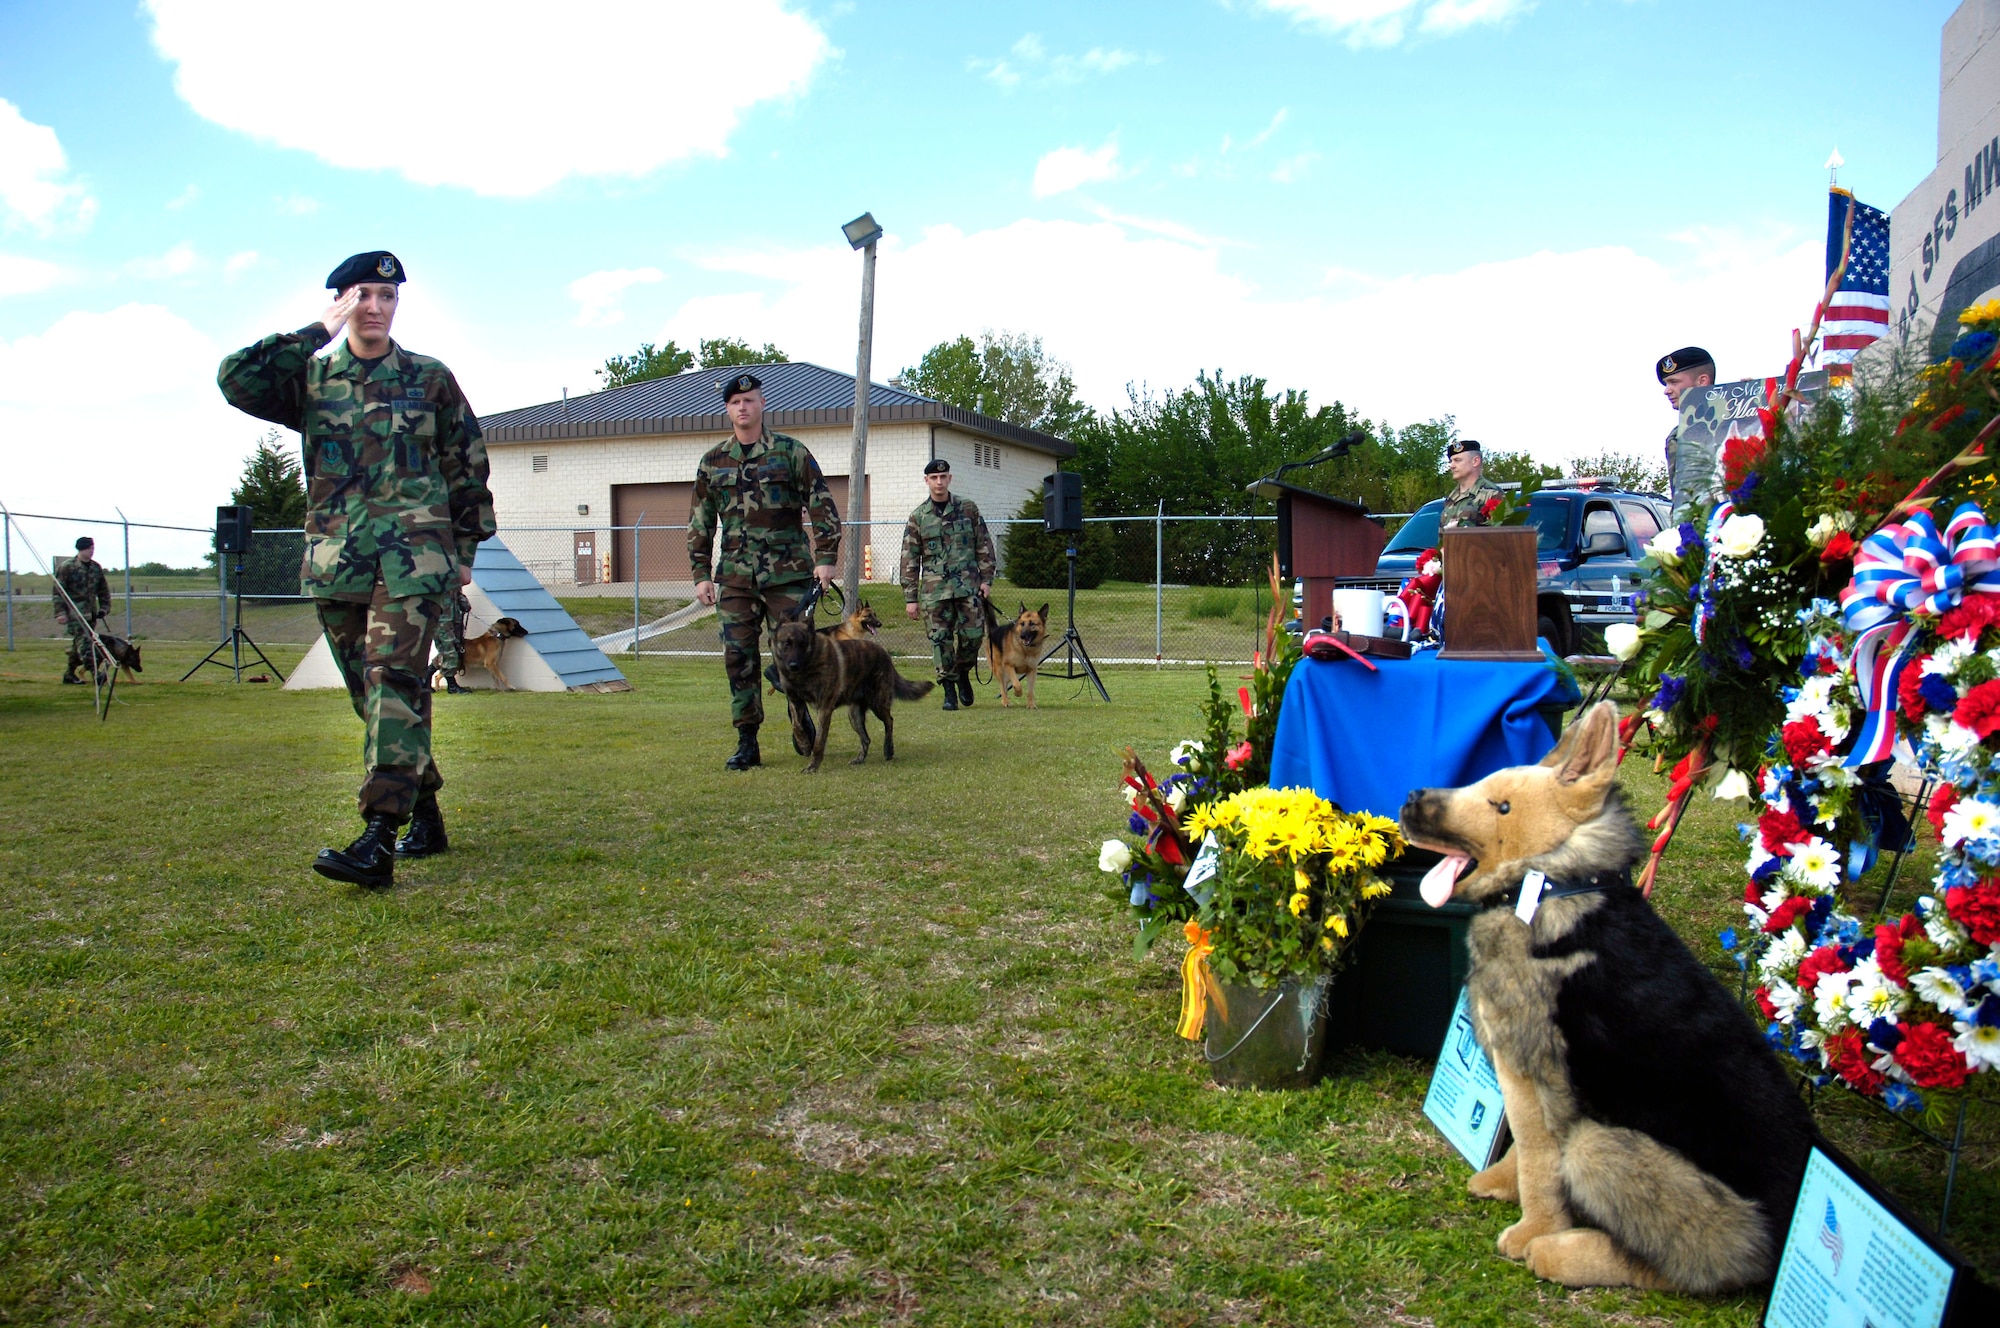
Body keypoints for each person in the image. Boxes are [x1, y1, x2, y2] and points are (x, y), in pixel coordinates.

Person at [216, 250, 495, 887]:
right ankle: (425, 811)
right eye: (363, 295)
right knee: (371, 697)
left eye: (387, 297)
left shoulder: (429, 378)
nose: (376, 308)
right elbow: (237, 380)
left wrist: (465, 554)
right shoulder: (311, 380)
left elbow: (465, 464)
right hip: (337, 560)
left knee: (394, 682)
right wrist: (317, 330)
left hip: (415, 559)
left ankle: (377, 839)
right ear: (342, 301)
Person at [688, 372, 842, 771]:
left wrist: (826, 556)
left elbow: (821, 503)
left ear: (761, 404)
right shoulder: (713, 462)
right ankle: (747, 741)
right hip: (736, 578)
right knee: (738, 657)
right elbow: (701, 521)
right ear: (727, 409)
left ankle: (799, 710)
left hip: (787, 575)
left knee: (798, 654)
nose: (743, 407)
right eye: (736, 402)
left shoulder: (790, 452)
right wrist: (700, 572)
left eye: (750, 400)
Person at [899, 458, 996, 710]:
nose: (939, 482)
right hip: (935, 591)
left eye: (943, 477)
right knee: (940, 640)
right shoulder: (918, 517)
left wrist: (987, 580)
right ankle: (949, 690)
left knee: (973, 636)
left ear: (949, 479)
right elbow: (910, 558)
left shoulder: (968, 509)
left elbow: (983, 545)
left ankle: (963, 672)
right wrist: (911, 597)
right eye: (934, 478)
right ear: (927, 481)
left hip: (968, 587)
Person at [1657, 346, 1716, 514]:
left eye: (1674, 382)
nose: (1666, 391)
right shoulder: (1677, 436)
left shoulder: (1738, 421)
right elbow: (1681, 496)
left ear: (1702, 381)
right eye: (1666, 383)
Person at [53, 535, 110, 684]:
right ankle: (96, 674)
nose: (92, 551)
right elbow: (58, 592)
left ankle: (69, 674)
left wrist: (104, 608)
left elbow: (103, 590)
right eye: (89, 548)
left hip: (90, 614)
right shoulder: (67, 567)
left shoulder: (95, 568)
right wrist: (60, 612)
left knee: (78, 645)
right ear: (81, 549)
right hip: (74, 614)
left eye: (93, 548)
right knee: (85, 642)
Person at [1438, 439, 1505, 529]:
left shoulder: (1492, 494)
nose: (1452, 466)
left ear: (1475, 461)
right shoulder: (1452, 498)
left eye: (1457, 460)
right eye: (1451, 461)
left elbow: (1503, 536)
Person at [433, 584, 471, 694]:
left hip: (454, 620)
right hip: (442, 622)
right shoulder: (435, 579)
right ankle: (452, 686)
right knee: (450, 652)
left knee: (452, 650)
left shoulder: (452, 579)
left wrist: (463, 602)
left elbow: (457, 594)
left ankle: (426, 679)